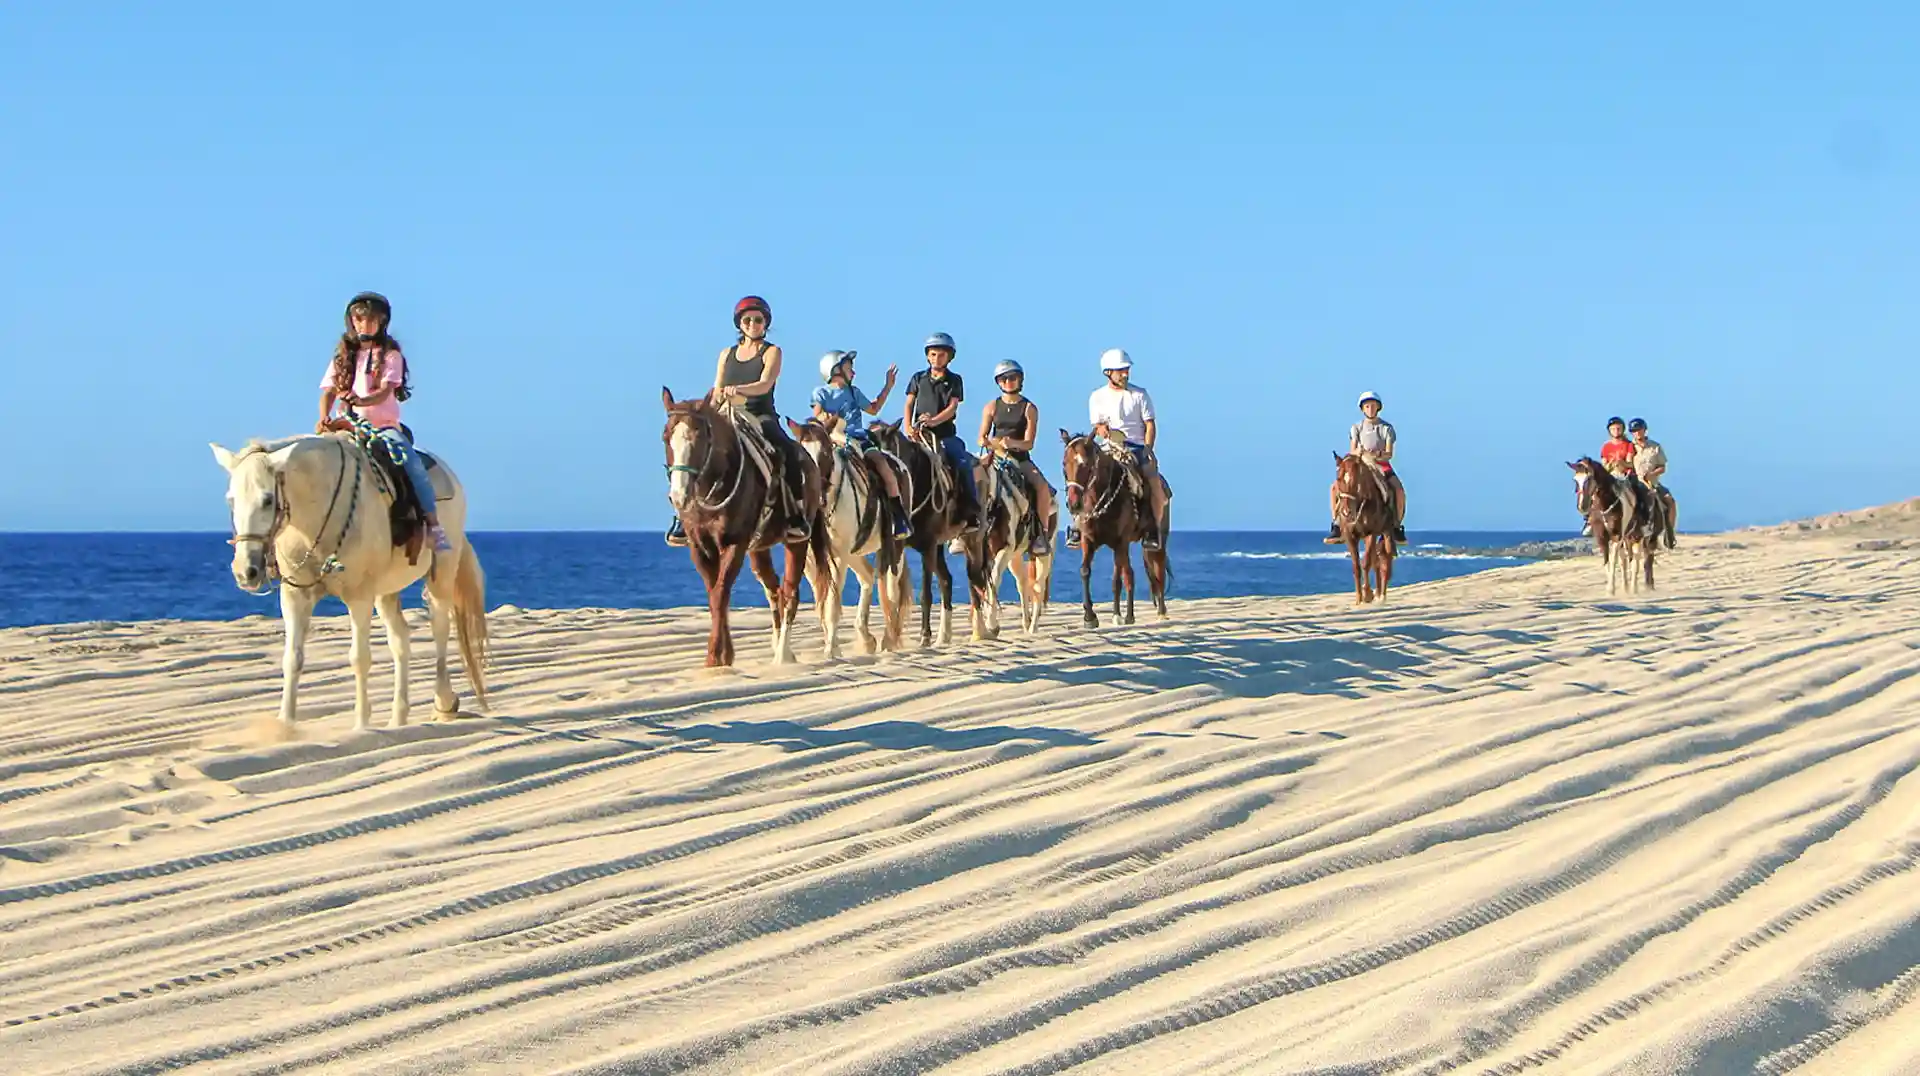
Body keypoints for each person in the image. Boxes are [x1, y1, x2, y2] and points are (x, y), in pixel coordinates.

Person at [666, 295, 810, 547]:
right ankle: (683, 514)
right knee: (695, 449)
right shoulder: (726, 354)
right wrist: (708, 408)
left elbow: (766, 384)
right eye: (747, 320)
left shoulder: (772, 352)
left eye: (758, 320)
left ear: (766, 323)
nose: (753, 324)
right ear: (739, 324)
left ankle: (795, 515)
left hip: (759, 414)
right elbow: (717, 385)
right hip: (726, 413)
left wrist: (740, 389)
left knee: (787, 450)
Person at [316, 291, 449, 552]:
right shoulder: (343, 356)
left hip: (382, 427)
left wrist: (361, 402)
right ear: (351, 321)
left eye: (370, 320)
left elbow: (386, 391)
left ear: (382, 322)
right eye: (359, 320)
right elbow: (329, 390)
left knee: (410, 463)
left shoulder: (390, 355)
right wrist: (324, 417)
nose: (364, 325)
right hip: (346, 425)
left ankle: (433, 525)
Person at [810, 349, 912, 539]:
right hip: (832, 439)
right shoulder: (821, 393)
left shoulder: (853, 392)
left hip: (858, 439)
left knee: (883, 466)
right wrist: (829, 421)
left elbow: (874, 409)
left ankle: (898, 516)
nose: (853, 372)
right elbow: (817, 415)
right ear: (835, 370)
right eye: (849, 368)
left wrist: (888, 386)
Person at [1073, 348, 1168, 551]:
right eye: (1120, 371)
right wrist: (1101, 429)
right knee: (1082, 477)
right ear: (1108, 372)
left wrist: (1148, 449)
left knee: (1154, 484)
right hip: (1108, 448)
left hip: (1135, 447)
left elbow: (1149, 424)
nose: (1125, 374)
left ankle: (1152, 529)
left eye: (1126, 370)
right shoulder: (1097, 397)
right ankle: (1077, 524)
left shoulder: (1140, 395)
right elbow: (1096, 425)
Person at [903, 332, 984, 532]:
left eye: (941, 355)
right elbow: (909, 404)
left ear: (949, 357)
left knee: (963, 463)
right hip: (919, 435)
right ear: (927, 356)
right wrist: (908, 426)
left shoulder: (954, 380)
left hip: (945, 435)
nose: (936, 359)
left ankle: (971, 510)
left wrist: (933, 421)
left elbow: (952, 408)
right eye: (932, 354)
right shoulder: (918, 378)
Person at [976, 359, 1055, 557]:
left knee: (1042, 487)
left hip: (1020, 459)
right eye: (1004, 379)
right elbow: (981, 438)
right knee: (972, 478)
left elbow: (1029, 442)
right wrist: (996, 442)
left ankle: (1041, 535)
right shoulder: (991, 406)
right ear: (999, 382)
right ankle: (964, 529)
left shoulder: (1029, 408)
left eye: (1012, 378)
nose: (1009, 382)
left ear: (1020, 380)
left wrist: (1012, 444)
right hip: (995, 457)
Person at [1327, 391, 1407, 543]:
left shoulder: (1386, 428)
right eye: (1367, 406)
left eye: (1373, 406)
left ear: (1378, 408)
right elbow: (1352, 451)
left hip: (1380, 464)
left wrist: (1377, 455)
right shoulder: (1356, 428)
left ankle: (1396, 526)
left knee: (1398, 490)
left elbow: (1389, 453)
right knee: (1334, 488)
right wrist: (1361, 453)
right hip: (1360, 464)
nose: (1370, 409)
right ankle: (1336, 524)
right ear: (1362, 409)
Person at [1630, 418, 1677, 548]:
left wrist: (1652, 474)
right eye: (1634, 431)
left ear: (1644, 430)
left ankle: (1669, 533)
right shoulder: (1629, 447)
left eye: (1639, 430)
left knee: (1670, 501)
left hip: (1652, 483)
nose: (1637, 433)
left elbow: (1663, 467)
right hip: (1635, 485)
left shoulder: (1655, 447)